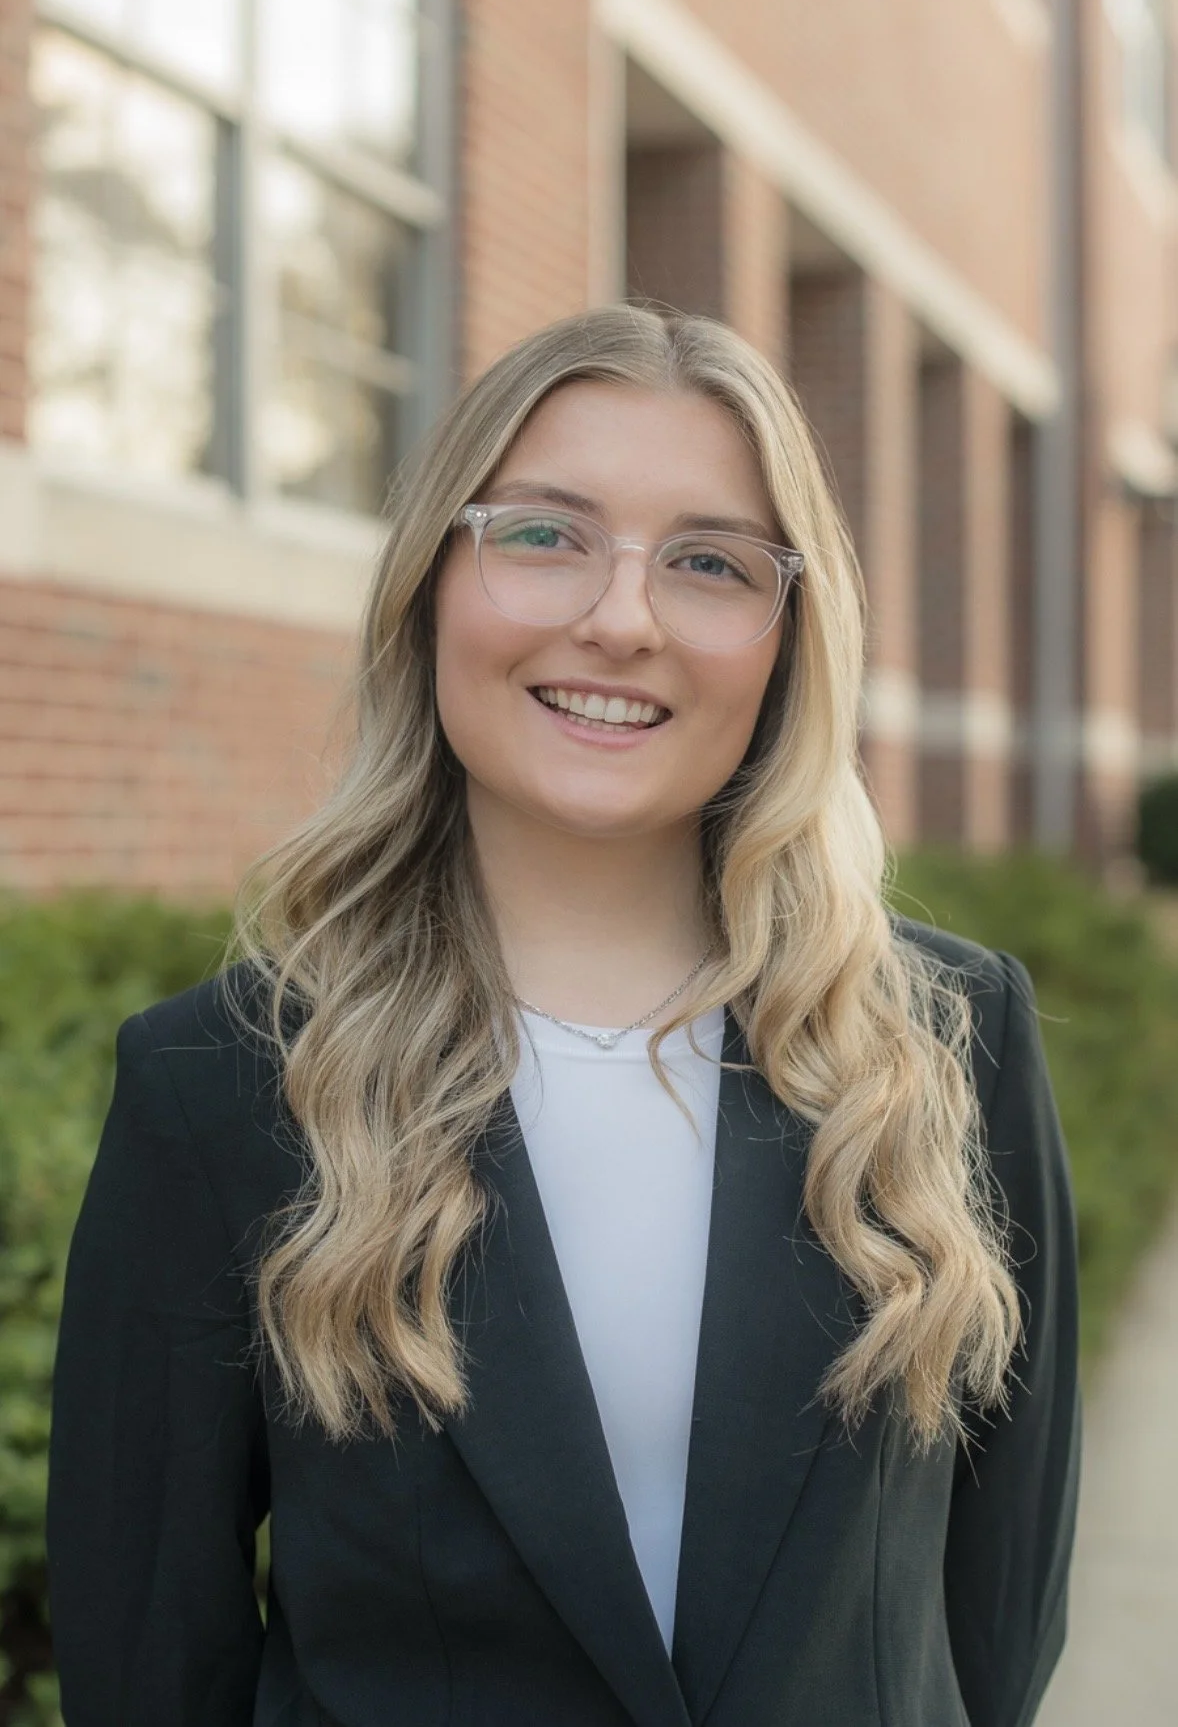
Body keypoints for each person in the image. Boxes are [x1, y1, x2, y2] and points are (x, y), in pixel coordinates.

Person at [46, 305, 1080, 1727]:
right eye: (542, 535)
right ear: (430, 585)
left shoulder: (946, 1043)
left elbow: (998, 1621)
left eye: (710, 562)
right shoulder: (221, 1083)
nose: (622, 619)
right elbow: (150, 1662)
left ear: (790, 639)